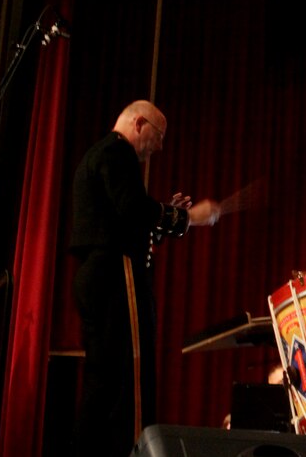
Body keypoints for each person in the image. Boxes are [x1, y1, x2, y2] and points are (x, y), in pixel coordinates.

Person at [69, 100, 220, 456]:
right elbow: (134, 210)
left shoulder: (97, 157)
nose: (160, 147)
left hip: (97, 275)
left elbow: (126, 224)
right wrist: (189, 219)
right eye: (159, 135)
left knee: (102, 383)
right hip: (116, 275)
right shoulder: (117, 153)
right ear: (139, 123)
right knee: (131, 381)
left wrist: (167, 219)